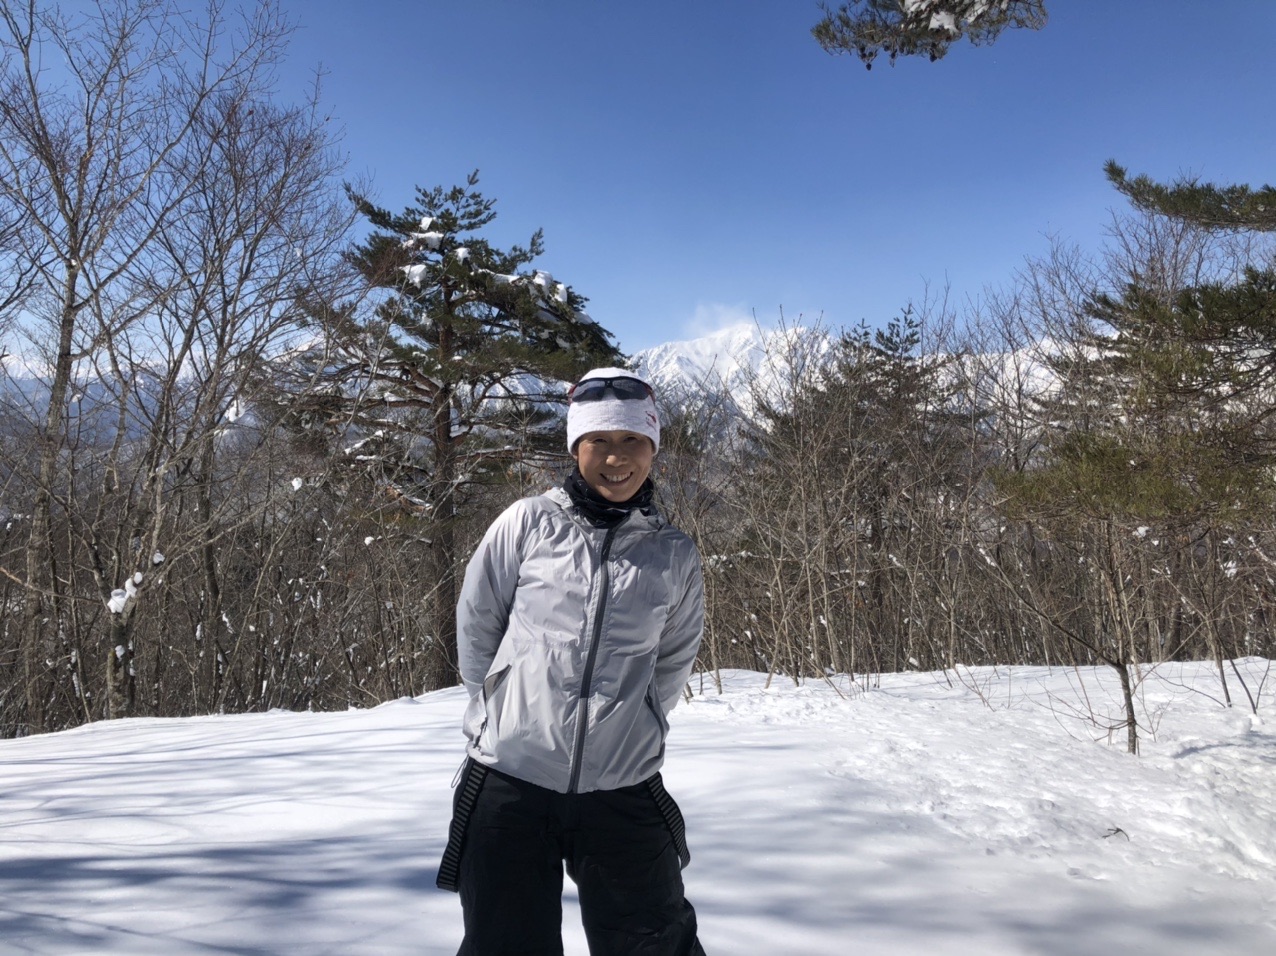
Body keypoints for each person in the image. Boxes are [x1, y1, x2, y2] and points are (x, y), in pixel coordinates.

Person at [437, 367, 707, 956]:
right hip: (511, 775)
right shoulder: (528, 522)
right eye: (598, 440)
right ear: (575, 447)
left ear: (653, 448)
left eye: (632, 439)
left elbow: (673, 659)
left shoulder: (673, 553)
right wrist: (497, 706)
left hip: (623, 780)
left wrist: (640, 720)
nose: (616, 457)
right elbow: (479, 622)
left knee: (655, 943)